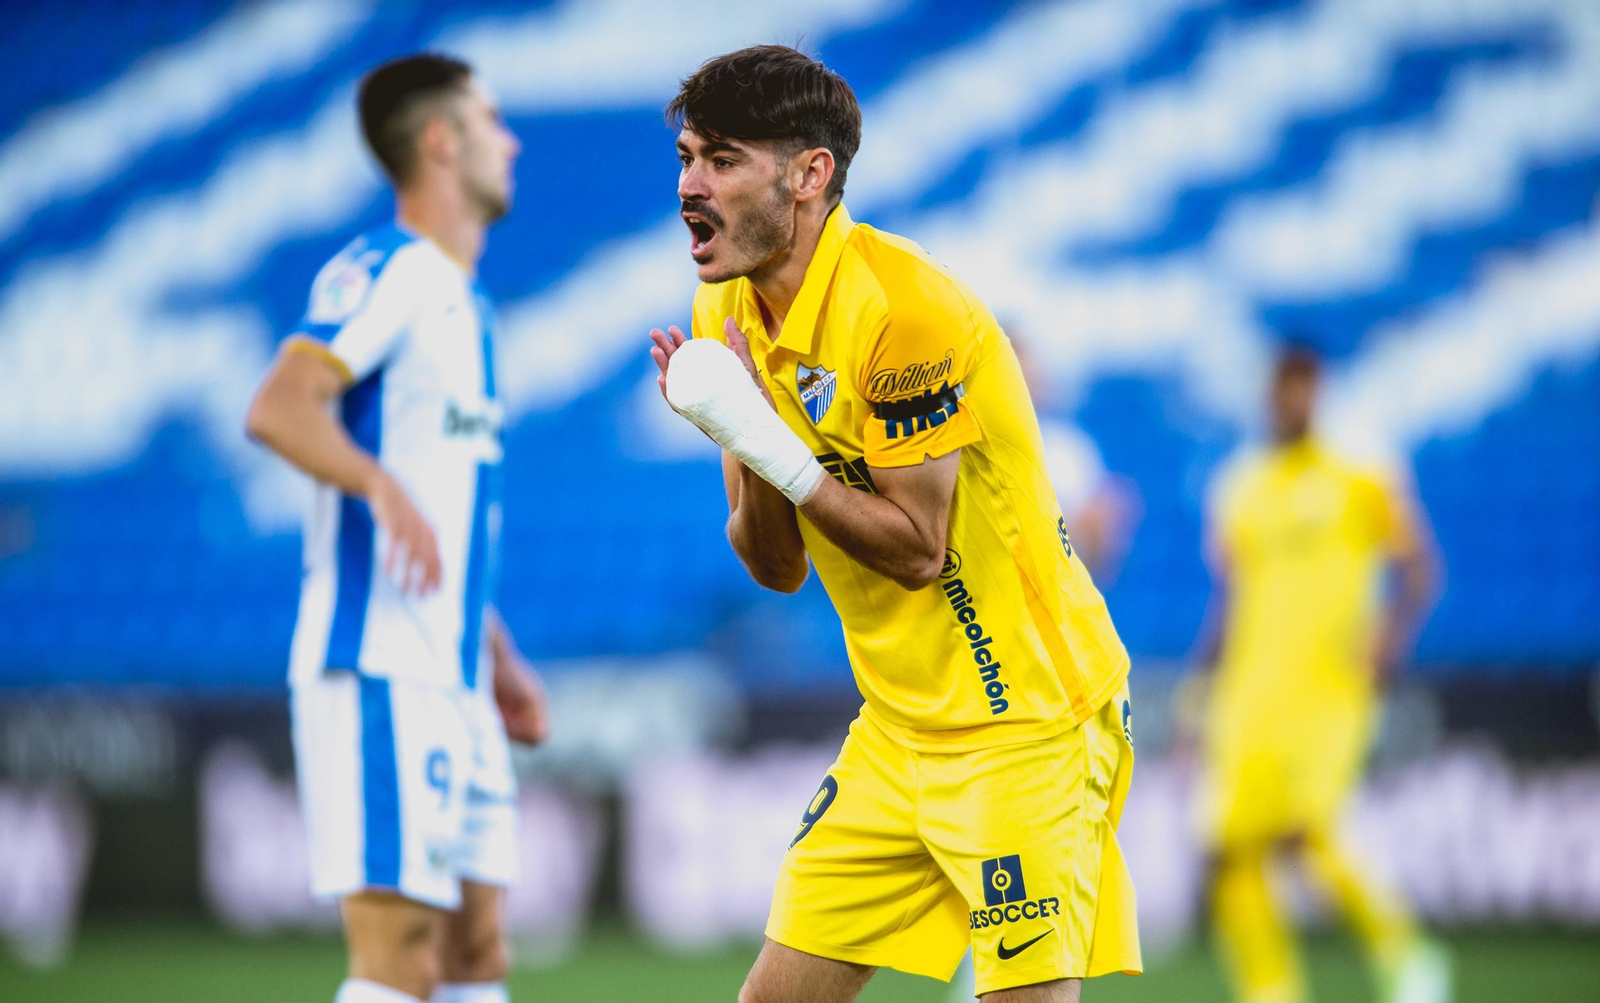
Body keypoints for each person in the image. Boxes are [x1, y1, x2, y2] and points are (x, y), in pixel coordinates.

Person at [648, 46, 1140, 1002]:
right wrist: (743, 432)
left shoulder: (905, 311)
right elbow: (775, 565)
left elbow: (918, 551)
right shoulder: (723, 309)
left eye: (722, 160)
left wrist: (768, 437)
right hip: (897, 728)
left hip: (1028, 724)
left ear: (809, 175)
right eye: (686, 158)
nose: (689, 187)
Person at [245, 53, 548, 1003]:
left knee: (475, 951)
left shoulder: (467, 302)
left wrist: (495, 651)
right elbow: (280, 405)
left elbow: (443, 512)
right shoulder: (389, 270)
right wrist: (378, 483)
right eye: (492, 120)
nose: (512, 143)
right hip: (379, 663)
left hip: (455, 670)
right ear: (440, 140)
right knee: (399, 961)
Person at [1195, 345, 1448, 1003]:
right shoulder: (1239, 485)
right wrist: (1203, 683)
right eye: (1284, 388)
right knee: (1234, 847)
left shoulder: (1361, 473)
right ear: (1269, 395)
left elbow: (1420, 569)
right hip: (1249, 693)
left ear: (1319, 391)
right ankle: (1270, 990)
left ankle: (1407, 956)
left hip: (1329, 690)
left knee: (1311, 830)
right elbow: (1229, 598)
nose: (1293, 400)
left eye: (1303, 387)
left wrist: (1387, 643)